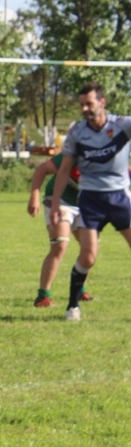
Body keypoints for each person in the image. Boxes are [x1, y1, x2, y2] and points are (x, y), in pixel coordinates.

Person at [51, 82, 131, 321]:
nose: (85, 108)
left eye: (89, 103)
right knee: (88, 256)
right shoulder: (77, 133)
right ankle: (72, 306)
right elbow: (64, 170)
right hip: (90, 201)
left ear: (102, 102)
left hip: (119, 198)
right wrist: (55, 204)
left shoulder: (122, 125)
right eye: (82, 105)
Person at [27, 153, 93, 307]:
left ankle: (79, 290)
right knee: (60, 245)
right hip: (59, 200)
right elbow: (42, 169)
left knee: (90, 249)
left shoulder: (111, 158)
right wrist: (34, 196)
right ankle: (43, 296)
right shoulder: (79, 151)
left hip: (85, 204)